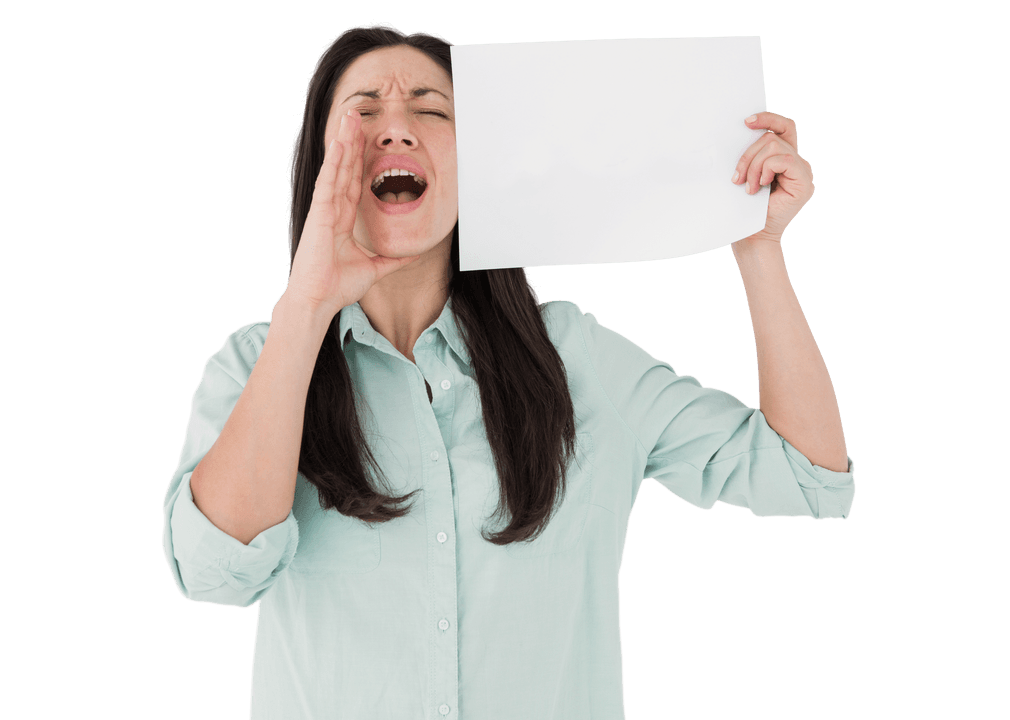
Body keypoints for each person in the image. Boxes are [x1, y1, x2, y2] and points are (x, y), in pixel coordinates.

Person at [161, 22, 856, 720]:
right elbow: (215, 570)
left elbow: (808, 473)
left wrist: (759, 249)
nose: (395, 128)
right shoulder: (256, 363)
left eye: (431, 110)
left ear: (482, 165)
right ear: (320, 166)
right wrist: (307, 305)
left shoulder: (577, 360)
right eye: (363, 110)